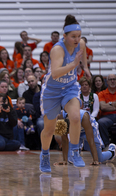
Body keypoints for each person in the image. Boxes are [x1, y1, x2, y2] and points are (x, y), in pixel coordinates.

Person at [39, 14, 91, 172]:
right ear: (65, 36)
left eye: (79, 36)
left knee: (75, 116)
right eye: (73, 36)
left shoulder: (80, 43)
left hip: (70, 88)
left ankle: (75, 153)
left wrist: (85, 67)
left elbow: (83, 55)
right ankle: (45, 155)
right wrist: (74, 64)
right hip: (52, 91)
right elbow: (55, 73)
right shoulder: (57, 50)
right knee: (49, 129)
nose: (77, 39)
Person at [97, 74, 116, 148]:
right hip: (107, 117)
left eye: (114, 79)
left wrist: (109, 104)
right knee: (101, 123)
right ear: (107, 82)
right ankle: (106, 145)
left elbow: (105, 105)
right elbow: (103, 107)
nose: (112, 81)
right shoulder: (102, 93)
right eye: (110, 79)